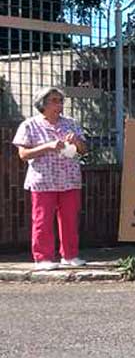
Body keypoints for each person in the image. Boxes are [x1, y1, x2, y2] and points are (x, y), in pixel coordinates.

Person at [12, 87, 88, 271]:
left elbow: (84, 150)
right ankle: (43, 257)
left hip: (69, 178)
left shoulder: (71, 122)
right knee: (42, 219)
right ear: (42, 104)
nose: (59, 104)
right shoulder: (29, 125)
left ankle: (70, 255)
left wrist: (77, 141)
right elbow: (23, 154)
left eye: (60, 100)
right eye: (54, 100)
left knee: (70, 218)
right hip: (43, 180)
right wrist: (48, 146)